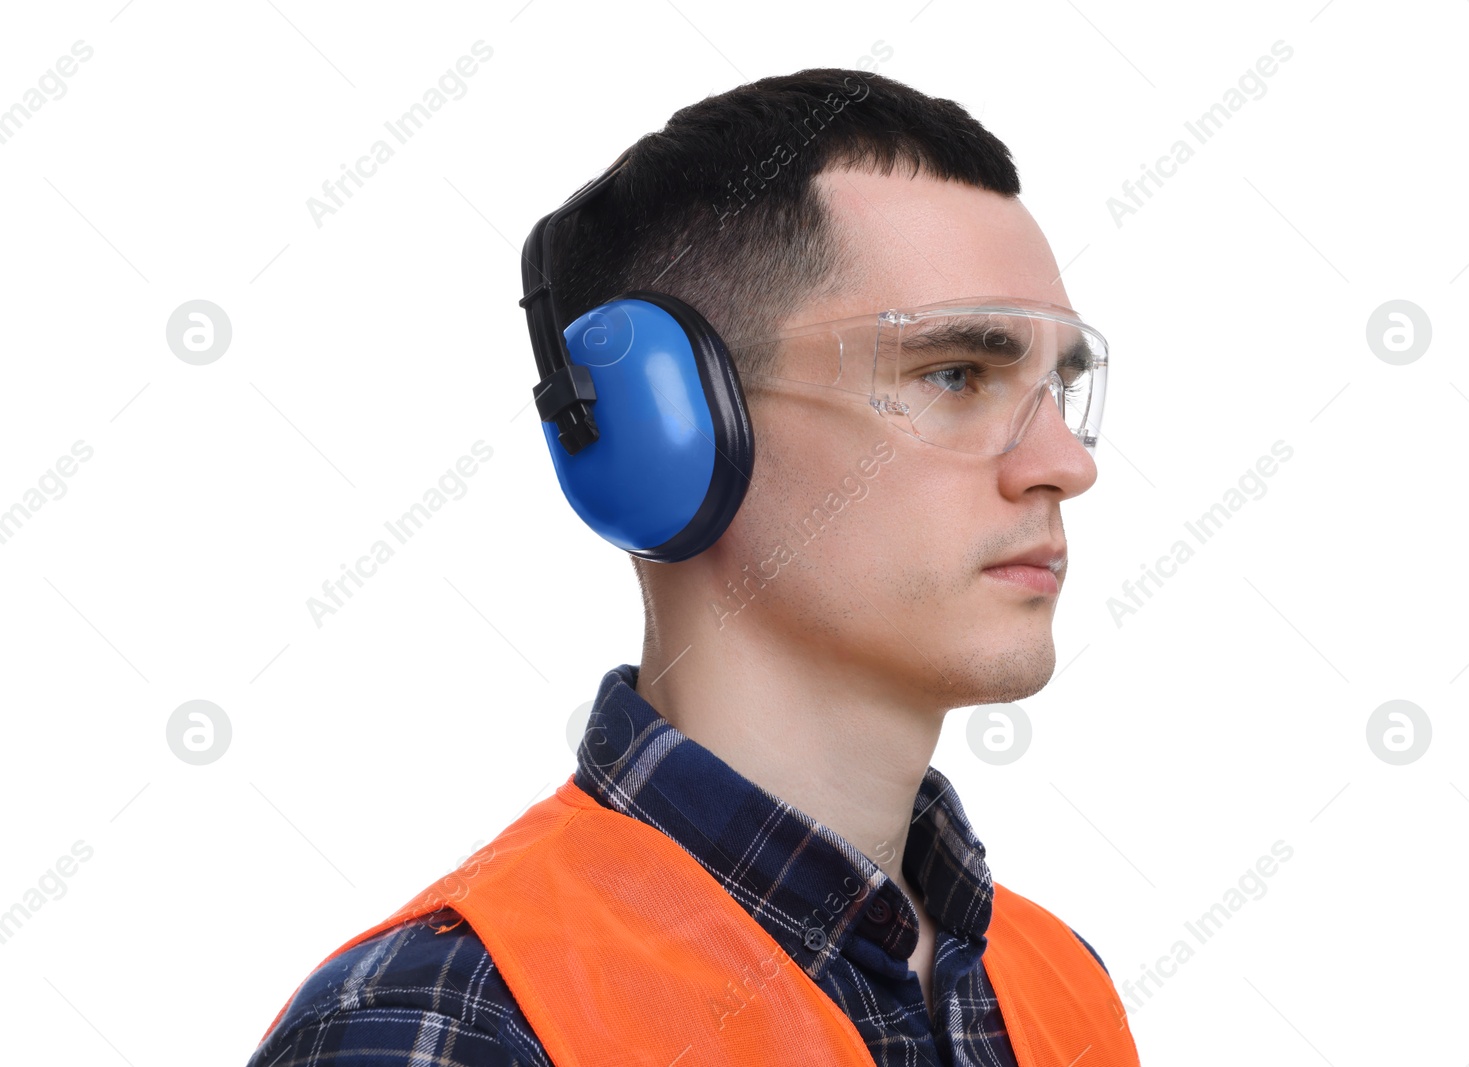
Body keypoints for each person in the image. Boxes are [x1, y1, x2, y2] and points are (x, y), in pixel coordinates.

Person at [247, 66, 1136, 1066]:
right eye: (952, 374)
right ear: (666, 431)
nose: (1066, 462)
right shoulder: (452, 1021)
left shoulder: (1057, 985)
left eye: (1057, 385)